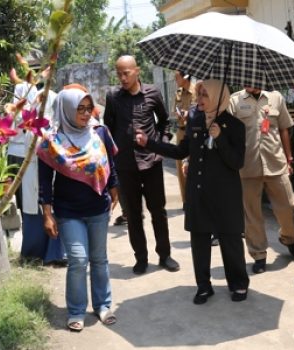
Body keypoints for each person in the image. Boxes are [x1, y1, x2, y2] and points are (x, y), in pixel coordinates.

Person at [136, 79, 249, 303]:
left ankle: (238, 284)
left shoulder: (235, 126)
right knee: (199, 241)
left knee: (231, 240)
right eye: (199, 93)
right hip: (199, 191)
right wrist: (150, 143)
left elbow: (237, 162)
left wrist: (220, 139)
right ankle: (204, 286)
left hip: (225, 195)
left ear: (218, 97)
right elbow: (181, 151)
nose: (199, 99)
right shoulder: (196, 120)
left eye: (205, 94)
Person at [37, 87, 119, 331]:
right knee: (78, 260)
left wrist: (115, 189)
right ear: (66, 110)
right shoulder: (51, 141)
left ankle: (103, 305)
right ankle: (76, 310)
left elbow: (110, 166)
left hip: (98, 207)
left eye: (88, 108)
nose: (85, 114)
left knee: (99, 259)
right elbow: (44, 181)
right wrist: (47, 214)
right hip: (68, 210)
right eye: (79, 109)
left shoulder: (99, 132)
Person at [104, 55, 180, 275]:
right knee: (134, 215)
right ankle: (141, 258)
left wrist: (161, 142)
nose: (122, 77)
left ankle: (165, 255)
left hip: (152, 162)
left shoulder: (153, 92)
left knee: (159, 211)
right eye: (118, 73)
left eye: (126, 73)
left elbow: (164, 121)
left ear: (136, 71)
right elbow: (107, 129)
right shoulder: (113, 97)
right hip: (126, 165)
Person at [229, 87, 294, 274]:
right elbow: (228, 132)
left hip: (275, 162)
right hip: (247, 166)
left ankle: (288, 238)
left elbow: (284, 128)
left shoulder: (276, 97)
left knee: (288, 204)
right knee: (252, 214)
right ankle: (259, 254)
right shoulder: (234, 101)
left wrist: (289, 158)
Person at [11, 81, 65, 265]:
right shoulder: (27, 123)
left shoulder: (53, 126)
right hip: (31, 169)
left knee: (49, 208)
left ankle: (54, 253)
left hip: (47, 171)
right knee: (33, 210)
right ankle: (35, 253)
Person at [173, 71, 195, 207]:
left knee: (194, 165)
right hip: (181, 132)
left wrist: (190, 115)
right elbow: (175, 111)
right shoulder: (178, 93)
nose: (175, 80)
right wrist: (178, 113)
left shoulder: (198, 91)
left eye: (177, 77)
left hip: (194, 133)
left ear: (185, 77)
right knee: (181, 167)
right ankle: (186, 201)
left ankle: (196, 199)